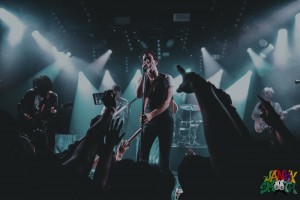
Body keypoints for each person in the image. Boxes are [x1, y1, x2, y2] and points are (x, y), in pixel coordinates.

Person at [135, 50, 174, 170]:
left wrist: (151, 114)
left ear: (155, 62)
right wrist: (143, 75)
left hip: (165, 122)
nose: (146, 61)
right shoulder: (142, 79)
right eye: (144, 60)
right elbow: (138, 95)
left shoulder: (167, 78)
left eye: (149, 59)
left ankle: (165, 185)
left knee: (164, 157)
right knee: (142, 156)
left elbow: (167, 102)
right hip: (149, 123)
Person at [17, 75, 58, 150]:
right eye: (36, 86)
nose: (36, 88)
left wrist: (53, 113)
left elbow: (52, 114)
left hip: (41, 127)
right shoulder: (30, 93)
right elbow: (20, 106)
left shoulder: (53, 97)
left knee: (40, 148)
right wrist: (25, 115)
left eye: (38, 86)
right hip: (26, 126)